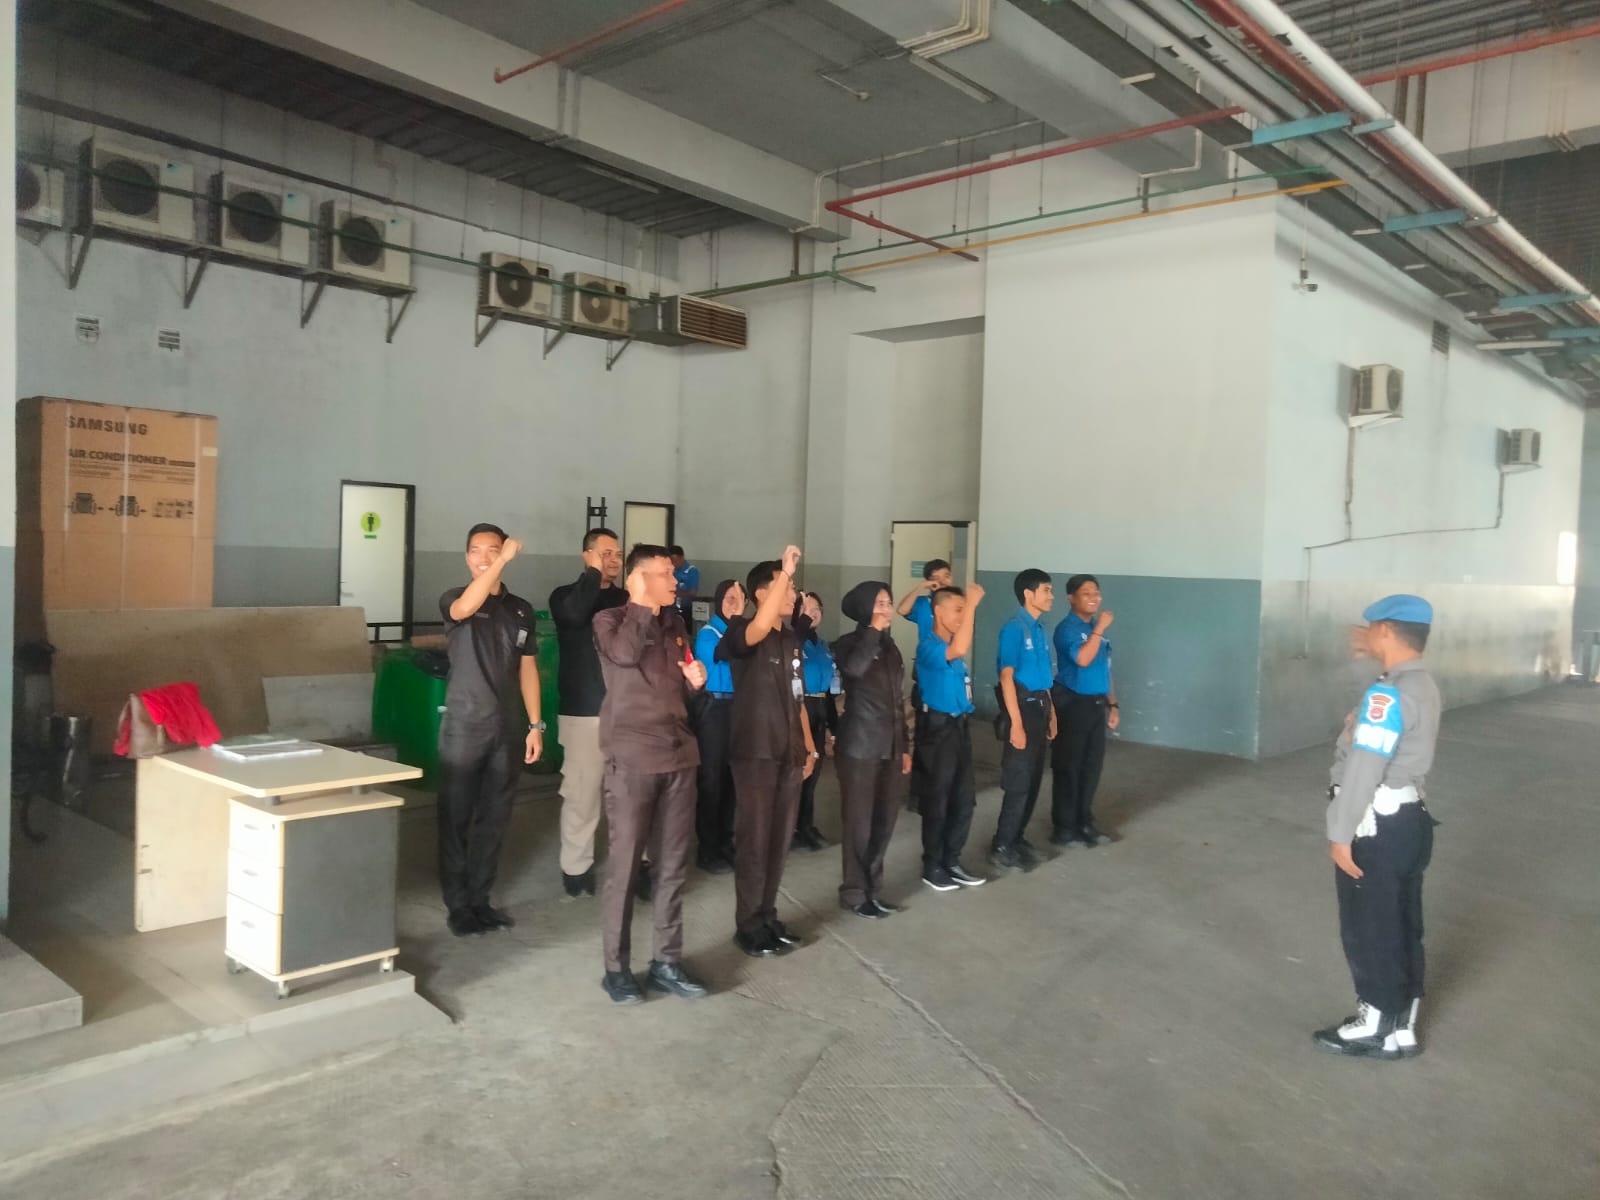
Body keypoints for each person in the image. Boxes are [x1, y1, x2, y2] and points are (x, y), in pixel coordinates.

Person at [1313, 595, 1441, 1060]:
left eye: (1370, 628)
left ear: (1385, 630)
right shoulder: (1420, 684)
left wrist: (1341, 832)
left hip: (1376, 826)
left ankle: (1374, 1026)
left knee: (1369, 927)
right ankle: (1401, 1026)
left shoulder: (1386, 695)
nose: (1363, 635)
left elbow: (1364, 767)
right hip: (1409, 821)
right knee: (1403, 923)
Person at [591, 544, 710, 1005]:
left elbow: (675, 691)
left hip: (679, 756)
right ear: (637, 579)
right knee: (624, 868)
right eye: (664, 574)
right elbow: (623, 656)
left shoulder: (675, 625)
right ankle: (616, 969)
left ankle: (666, 962)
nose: (674, 581)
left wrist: (694, 685)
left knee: (673, 866)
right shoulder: (609, 621)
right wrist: (640, 603)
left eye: (672, 574)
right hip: (633, 759)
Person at [436, 524, 543, 937]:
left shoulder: (520, 610)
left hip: (508, 727)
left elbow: (528, 669)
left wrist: (535, 725)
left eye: (493, 550)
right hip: (465, 726)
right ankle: (458, 906)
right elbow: (466, 607)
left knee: (494, 818)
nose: (484, 557)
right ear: (467, 557)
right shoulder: (453, 598)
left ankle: (480, 899)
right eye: (477, 551)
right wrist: (499, 563)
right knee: (456, 818)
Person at [716, 546, 819, 957]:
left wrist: (809, 747)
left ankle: (768, 915)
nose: (793, 594)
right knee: (754, 840)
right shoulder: (741, 631)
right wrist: (786, 571)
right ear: (762, 593)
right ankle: (748, 925)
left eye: (792, 587)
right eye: (784, 587)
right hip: (756, 752)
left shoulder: (790, 639)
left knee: (779, 839)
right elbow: (758, 628)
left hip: (789, 752)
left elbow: (798, 698)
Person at [548, 527, 627, 898]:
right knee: (583, 795)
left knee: (631, 794)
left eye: (617, 554)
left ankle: (636, 865)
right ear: (587, 555)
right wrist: (594, 575)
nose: (613, 560)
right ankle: (576, 868)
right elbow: (576, 614)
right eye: (605, 553)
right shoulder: (565, 596)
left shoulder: (627, 599)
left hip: (625, 709)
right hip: (583, 711)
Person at [832, 581, 913, 918]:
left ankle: (873, 890)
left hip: (891, 747)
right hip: (860, 747)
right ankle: (854, 893)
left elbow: (897, 701)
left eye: (888, 603)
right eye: (879, 604)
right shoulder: (848, 644)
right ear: (865, 608)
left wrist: (905, 746)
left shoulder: (891, 648)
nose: (886, 609)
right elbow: (854, 669)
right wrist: (873, 633)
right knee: (859, 825)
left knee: (884, 821)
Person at [913, 584, 987, 893]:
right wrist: (972, 606)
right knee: (938, 800)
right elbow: (958, 648)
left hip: (959, 728)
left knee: (964, 799)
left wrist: (967, 609)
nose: (961, 616)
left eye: (964, 610)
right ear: (938, 611)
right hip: (938, 730)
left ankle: (951, 859)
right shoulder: (929, 646)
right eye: (957, 610)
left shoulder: (954, 650)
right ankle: (932, 865)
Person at [990, 569, 1056, 873]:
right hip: (1022, 711)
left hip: (1040, 708)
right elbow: (1007, 678)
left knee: (1033, 779)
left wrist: (1052, 714)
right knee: (1018, 781)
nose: (1051, 596)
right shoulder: (1014, 629)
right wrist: (1016, 724)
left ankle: (1017, 838)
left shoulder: (1039, 629)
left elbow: (1044, 679)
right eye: (1046, 590)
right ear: (1029, 594)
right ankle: (1002, 845)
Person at [1050, 574, 1118, 848]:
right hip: (1072, 704)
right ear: (1071, 598)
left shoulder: (1095, 630)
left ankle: (1084, 822)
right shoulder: (1067, 629)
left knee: (1091, 767)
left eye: (1096, 593)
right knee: (1069, 767)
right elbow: (1082, 658)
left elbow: (1105, 670)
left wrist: (1113, 704)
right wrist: (1099, 628)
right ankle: (1064, 829)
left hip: (1096, 704)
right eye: (1086, 593)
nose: (1094, 598)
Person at [692, 579, 745, 874]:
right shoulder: (708, 634)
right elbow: (726, 652)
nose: (733, 603)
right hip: (713, 710)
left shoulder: (743, 631)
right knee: (711, 780)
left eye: (739, 598)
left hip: (737, 709)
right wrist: (738, 619)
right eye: (728, 598)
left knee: (731, 779)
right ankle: (707, 848)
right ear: (717, 601)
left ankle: (726, 842)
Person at [896, 559, 953, 813]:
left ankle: (943, 790)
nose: (943, 581)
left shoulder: (957, 605)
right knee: (924, 737)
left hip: (950, 677)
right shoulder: (922, 605)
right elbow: (901, 609)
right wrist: (921, 587)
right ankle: (919, 795)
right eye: (936, 578)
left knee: (948, 738)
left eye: (946, 576)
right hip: (928, 679)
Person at [792, 591, 839, 852]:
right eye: (806, 608)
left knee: (813, 775)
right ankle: (790, 827)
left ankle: (805, 826)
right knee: (798, 771)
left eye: (817, 608)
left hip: (820, 710)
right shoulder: (793, 642)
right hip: (800, 709)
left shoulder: (823, 646)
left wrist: (834, 726)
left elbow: (830, 690)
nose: (813, 612)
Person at [670, 545, 700, 627]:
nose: (673, 564)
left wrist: (674, 593)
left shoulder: (692, 571)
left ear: (682, 558)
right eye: (671, 561)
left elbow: (693, 593)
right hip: (669, 610)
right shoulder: (670, 571)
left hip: (685, 610)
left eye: (675, 560)